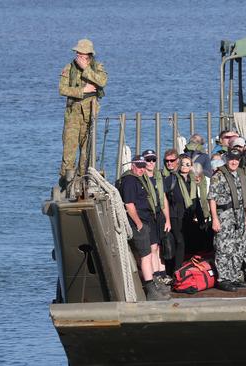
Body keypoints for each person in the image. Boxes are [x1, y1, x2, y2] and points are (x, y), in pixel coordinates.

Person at [118, 155, 169, 300]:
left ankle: (154, 284)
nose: (141, 169)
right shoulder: (129, 181)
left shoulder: (139, 179)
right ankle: (151, 290)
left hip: (147, 221)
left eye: (143, 167)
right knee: (145, 256)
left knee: (150, 253)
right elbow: (129, 205)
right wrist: (139, 224)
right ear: (132, 166)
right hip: (139, 224)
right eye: (138, 166)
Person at [58, 39, 107, 187]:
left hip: (89, 114)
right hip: (73, 114)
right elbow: (63, 89)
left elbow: (102, 82)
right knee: (69, 149)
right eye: (77, 53)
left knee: (87, 151)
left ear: (89, 55)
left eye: (81, 53)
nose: (78, 55)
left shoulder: (97, 67)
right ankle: (66, 182)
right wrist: (82, 91)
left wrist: (86, 69)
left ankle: (83, 180)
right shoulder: (69, 68)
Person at [207, 149, 246, 292]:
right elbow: (212, 198)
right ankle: (224, 278)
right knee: (223, 248)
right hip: (225, 214)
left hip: (240, 215)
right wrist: (215, 219)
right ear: (226, 160)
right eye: (231, 159)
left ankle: (234, 276)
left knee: (238, 247)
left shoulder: (242, 174)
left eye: (237, 159)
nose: (234, 162)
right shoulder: (218, 176)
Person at [141, 150, 172, 287]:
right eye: (148, 160)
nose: (151, 163)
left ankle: (163, 272)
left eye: (153, 159)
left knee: (161, 245)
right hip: (149, 215)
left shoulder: (158, 177)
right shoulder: (141, 178)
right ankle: (155, 275)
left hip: (160, 214)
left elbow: (164, 198)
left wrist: (168, 219)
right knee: (152, 246)